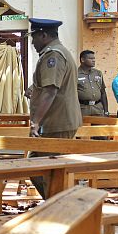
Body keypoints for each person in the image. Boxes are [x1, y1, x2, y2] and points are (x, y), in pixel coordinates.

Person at [26, 18, 82, 197]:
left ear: (43, 35)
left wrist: (35, 122)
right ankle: (59, 206)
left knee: (43, 169)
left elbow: (50, 91)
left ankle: (61, 209)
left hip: (56, 123)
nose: (32, 42)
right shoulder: (58, 52)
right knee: (45, 168)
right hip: (57, 122)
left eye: (33, 37)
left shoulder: (54, 55)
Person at [77, 50, 109, 117]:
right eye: (91, 58)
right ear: (82, 59)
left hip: (98, 108)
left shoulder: (98, 73)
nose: (93, 60)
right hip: (82, 108)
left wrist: (106, 111)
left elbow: (103, 92)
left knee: (100, 127)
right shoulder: (76, 74)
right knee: (83, 127)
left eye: (94, 58)